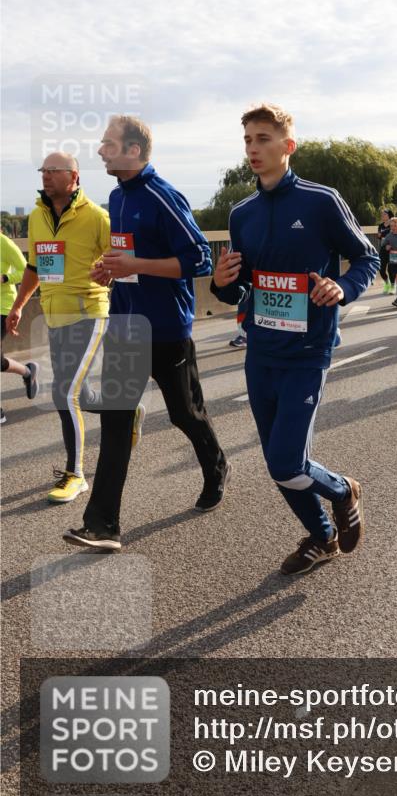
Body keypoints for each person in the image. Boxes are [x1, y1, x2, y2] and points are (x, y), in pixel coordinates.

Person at [211, 103, 378, 575]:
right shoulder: (241, 213)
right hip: (260, 351)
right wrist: (224, 281)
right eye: (247, 140)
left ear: (288, 146)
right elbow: (238, 289)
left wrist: (342, 287)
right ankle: (322, 538)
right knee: (277, 462)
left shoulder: (320, 201)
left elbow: (366, 259)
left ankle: (344, 491)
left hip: (308, 351)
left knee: (287, 462)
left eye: (263, 139)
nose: (252, 149)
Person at [63, 115, 230, 552]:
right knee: (115, 425)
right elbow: (128, 257)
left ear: (133, 151)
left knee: (185, 414)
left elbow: (198, 260)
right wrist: (111, 269)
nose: (100, 150)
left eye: (108, 143)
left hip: (167, 329)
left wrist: (135, 266)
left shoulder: (162, 195)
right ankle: (102, 526)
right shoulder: (117, 197)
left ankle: (216, 467)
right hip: (124, 328)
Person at [6, 153, 111, 501]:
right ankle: (126, 410)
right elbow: (35, 267)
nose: (46, 176)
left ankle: (76, 474)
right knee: (77, 393)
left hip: (89, 313)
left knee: (63, 392)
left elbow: (124, 261)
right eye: (43, 171)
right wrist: (19, 306)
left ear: (73, 176)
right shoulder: (36, 216)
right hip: (55, 316)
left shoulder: (96, 216)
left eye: (53, 171)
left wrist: (110, 273)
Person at [1, 233, 39, 423]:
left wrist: (5, 277)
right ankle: (27, 371)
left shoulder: (4, 243)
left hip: (3, 306)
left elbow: (26, 269)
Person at [377, 209, 394, 294]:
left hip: (392, 249)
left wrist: (383, 234)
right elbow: (379, 236)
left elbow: (392, 233)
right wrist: (383, 234)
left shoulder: (393, 224)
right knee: (381, 269)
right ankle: (387, 283)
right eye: (382, 215)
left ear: (388, 215)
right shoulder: (380, 225)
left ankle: (393, 287)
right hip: (383, 249)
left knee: (391, 269)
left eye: (384, 214)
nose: (382, 216)